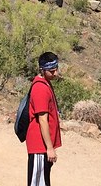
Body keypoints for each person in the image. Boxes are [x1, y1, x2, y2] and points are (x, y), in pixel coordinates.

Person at [25, 52, 62, 186]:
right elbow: (42, 120)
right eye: (52, 71)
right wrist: (50, 148)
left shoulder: (45, 84)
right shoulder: (40, 88)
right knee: (37, 182)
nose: (55, 73)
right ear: (42, 70)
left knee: (43, 181)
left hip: (43, 146)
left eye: (56, 69)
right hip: (39, 146)